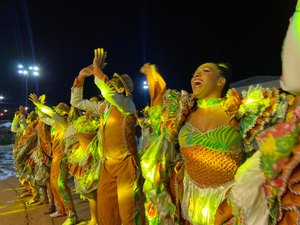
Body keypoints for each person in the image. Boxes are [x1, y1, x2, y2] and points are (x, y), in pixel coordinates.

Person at [140, 58, 297, 225]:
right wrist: (152, 76)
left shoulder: (241, 110)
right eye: (195, 74)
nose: (196, 75)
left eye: (206, 71)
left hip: (228, 204)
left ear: (220, 81)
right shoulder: (181, 111)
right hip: (188, 198)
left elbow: (291, 114)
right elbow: (158, 108)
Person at [70, 48, 143, 225]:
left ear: (123, 91)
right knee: (106, 209)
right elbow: (76, 102)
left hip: (126, 164)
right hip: (107, 164)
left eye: (115, 84)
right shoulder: (103, 107)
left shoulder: (127, 105)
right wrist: (80, 77)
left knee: (129, 212)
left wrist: (96, 69)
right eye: (111, 81)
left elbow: (107, 92)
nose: (110, 84)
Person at [28, 94, 78, 224]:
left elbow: (50, 113)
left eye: (58, 110)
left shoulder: (63, 122)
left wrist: (39, 104)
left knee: (61, 184)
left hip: (62, 158)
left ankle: (72, 215)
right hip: (55, 157)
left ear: (62, 113)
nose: (55, 111)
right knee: (55, 185)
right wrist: (38, 107)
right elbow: (44, 117)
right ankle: (61, 209)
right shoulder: (55, 124)